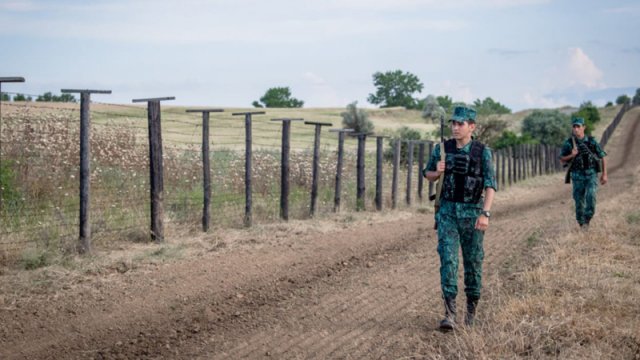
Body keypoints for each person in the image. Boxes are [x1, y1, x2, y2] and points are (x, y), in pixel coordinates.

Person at [424, 105, 496, 331]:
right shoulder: (442, 149)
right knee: (448, 260)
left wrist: (485, 213)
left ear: (471, 126)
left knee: (473, 263)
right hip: (447, 214)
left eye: (460, 124)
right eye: (453, 123)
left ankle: (471, 311)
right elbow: (428, 175)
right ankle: (450, 314)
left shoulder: (482, 151)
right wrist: (438, 170)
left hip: (473, 215)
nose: (455, 127)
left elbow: (490, 184)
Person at [559, 117, 607, 229]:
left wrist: (604, 174)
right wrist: (571, 155)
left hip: (591, 175)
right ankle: (582, 224)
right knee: (579, 202)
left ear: (583, 127)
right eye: (574, 126)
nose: (576, 129)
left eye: (578, 126)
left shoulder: (591, 141)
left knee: (591, 196)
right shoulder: (569, 143)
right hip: (577, 176)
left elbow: (602, 156)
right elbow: (562, 159)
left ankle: (587, 219)